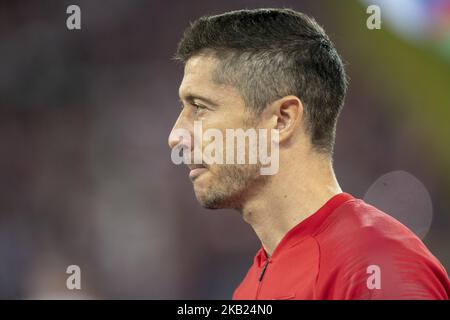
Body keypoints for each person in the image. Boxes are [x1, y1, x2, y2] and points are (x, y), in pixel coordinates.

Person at [168, 8, 450, 299]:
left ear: (282, 120)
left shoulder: (374, 268)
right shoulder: (249, 288)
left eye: (199, 107)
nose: (175, 137)